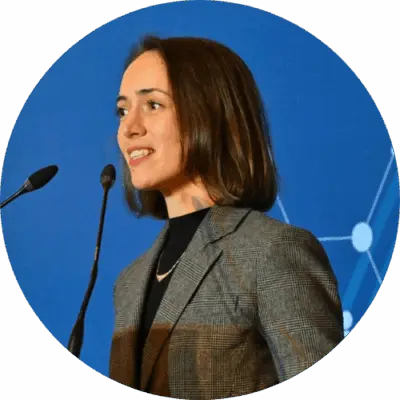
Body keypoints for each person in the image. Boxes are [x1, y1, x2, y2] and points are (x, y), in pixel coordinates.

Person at [109, 35, 344, 399]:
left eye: (153, 104)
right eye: (123, 111)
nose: (129, 128)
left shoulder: (273, 252)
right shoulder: (129, 282)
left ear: (210, 113)